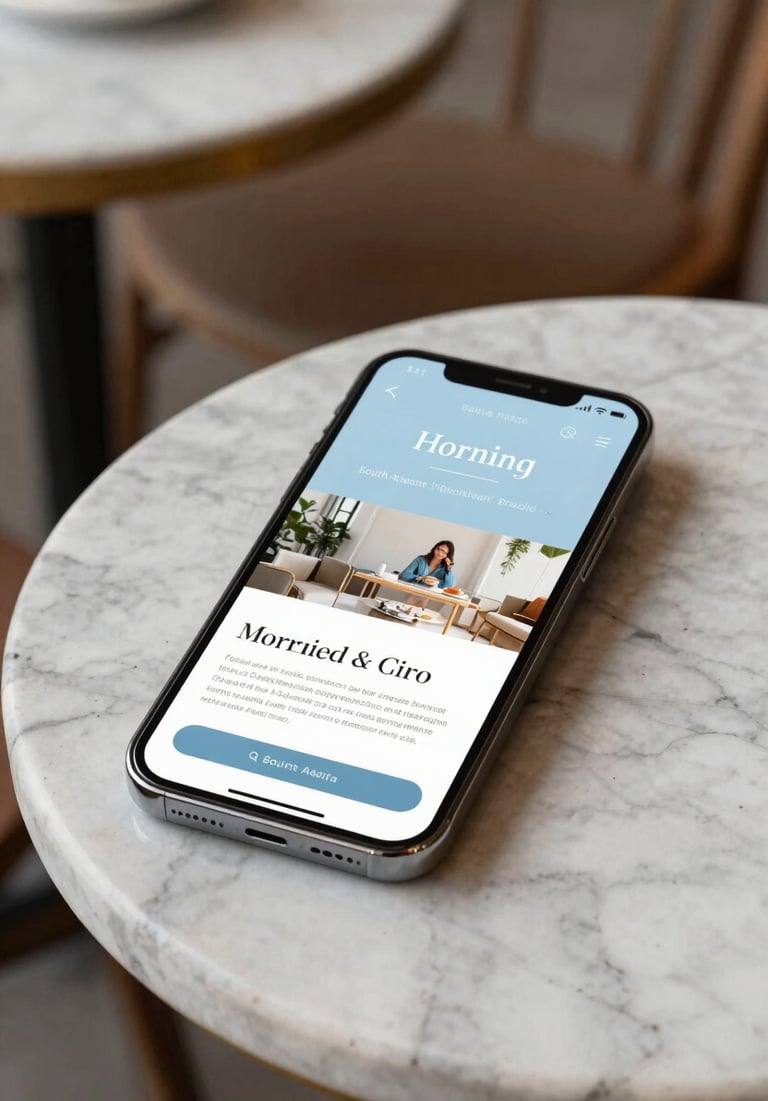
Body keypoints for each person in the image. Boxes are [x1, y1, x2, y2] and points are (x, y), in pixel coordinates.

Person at [399, 540, 456, 607]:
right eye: (439, 549)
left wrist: (449, 569)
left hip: (429, 599)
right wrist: (420, 578)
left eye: (444, 552)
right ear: (435, 548)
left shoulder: (445, 569)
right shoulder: (421, 560)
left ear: (448, 556)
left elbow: (449, 587)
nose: (440, 553)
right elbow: (403, 575)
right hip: (413, 593)